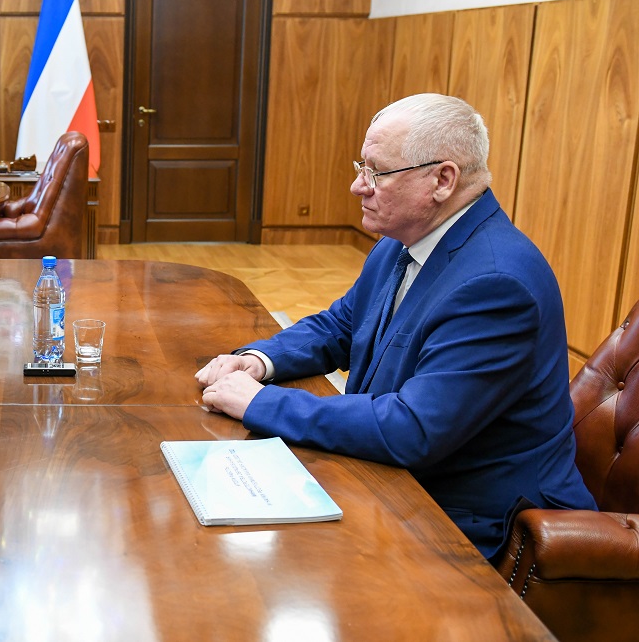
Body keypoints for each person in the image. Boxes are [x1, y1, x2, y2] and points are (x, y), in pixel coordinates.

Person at [195, 93, 594, 560]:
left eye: (376, 172)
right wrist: (260, 361)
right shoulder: (404, 240)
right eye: (361, 167)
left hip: (473, 524)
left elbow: (414, 428)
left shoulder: (496, 283)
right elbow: (341, 324)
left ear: (442, 180)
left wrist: (262, 403)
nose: (357, 186)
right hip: (396, 481)